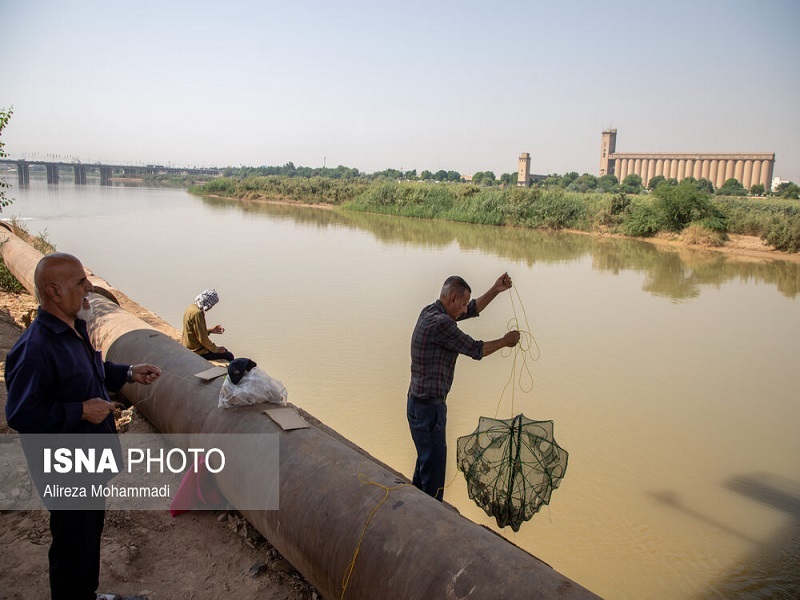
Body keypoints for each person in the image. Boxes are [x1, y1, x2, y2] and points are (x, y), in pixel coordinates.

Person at [4, 252, 161, 600]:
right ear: (54, 292)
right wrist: (79, 411)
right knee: (72, 543)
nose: (89, 286)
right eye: (80, 282)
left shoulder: (74, 328)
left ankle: (86, 594)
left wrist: (129, 372)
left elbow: (92, 373)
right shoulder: (35, 350)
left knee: (87, 535)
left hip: (88, 461)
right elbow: (20, 414)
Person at [407, 273, 520, 502]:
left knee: (425, 465)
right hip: (430, 412)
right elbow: (476, 349)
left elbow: (472, 309)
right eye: (463, 303)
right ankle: (427, 522)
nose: (465, 309)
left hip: (417, 404)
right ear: (453, 299)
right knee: (434, 477)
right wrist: (505, 341)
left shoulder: (431, 311)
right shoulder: (442, 324)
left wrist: (495, 290)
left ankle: (414, 508)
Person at [181, 288, 234, 361]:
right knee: (228, 355)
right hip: (196, 350)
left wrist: (210, 330)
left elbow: (195, 331)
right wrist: (217, 349)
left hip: (188, 345)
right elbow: (202, 339)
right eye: (211, 305)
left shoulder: (192, 307)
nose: (211, 307)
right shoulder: (197, 313)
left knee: (224, 350)